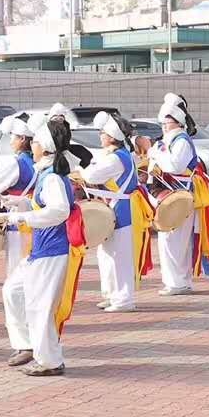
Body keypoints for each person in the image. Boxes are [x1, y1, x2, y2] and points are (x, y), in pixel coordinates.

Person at [2, 117, 89, 376]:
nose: (33, 145)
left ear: (47, 147)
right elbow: (46, 207)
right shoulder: (47, 173)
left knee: (40, 306)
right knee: (13, 291)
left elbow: (59, 211)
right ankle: (27, 344)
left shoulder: (52, 177)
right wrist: (20, 204)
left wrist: (23, 217)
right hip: (42, 249)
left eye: (36, 141)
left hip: (52, 249)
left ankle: (50, 360)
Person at [82, 111, 152, 311]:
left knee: (119, 257)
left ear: (112, 136)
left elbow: (92, 175)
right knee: (107, 255)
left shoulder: (115, 159)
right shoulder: (117, 155)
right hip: (115, 207)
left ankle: (124, 299)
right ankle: (112, 295)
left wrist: (83, 166)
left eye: (103, 132)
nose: (100, 136)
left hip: (121, 210)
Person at [148, 95, 209, 294]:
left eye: (166, 123)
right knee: (173, 240)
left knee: (174, 240)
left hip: (179, 196)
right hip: (170, 195)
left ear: (176, 123)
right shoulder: (169, 141)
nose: (163, 126)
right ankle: (179, 281)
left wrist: (155, 153)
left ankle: (177, 283)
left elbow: (174, 165)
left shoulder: (181, 141)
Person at [0, 112, 38, 301]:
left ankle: (19, 300)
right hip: (33, 215)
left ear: (23, 139)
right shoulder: (35, 162)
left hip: (17, 217)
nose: (11, 141)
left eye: (13, 137)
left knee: (16, 264)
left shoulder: (17, 163)